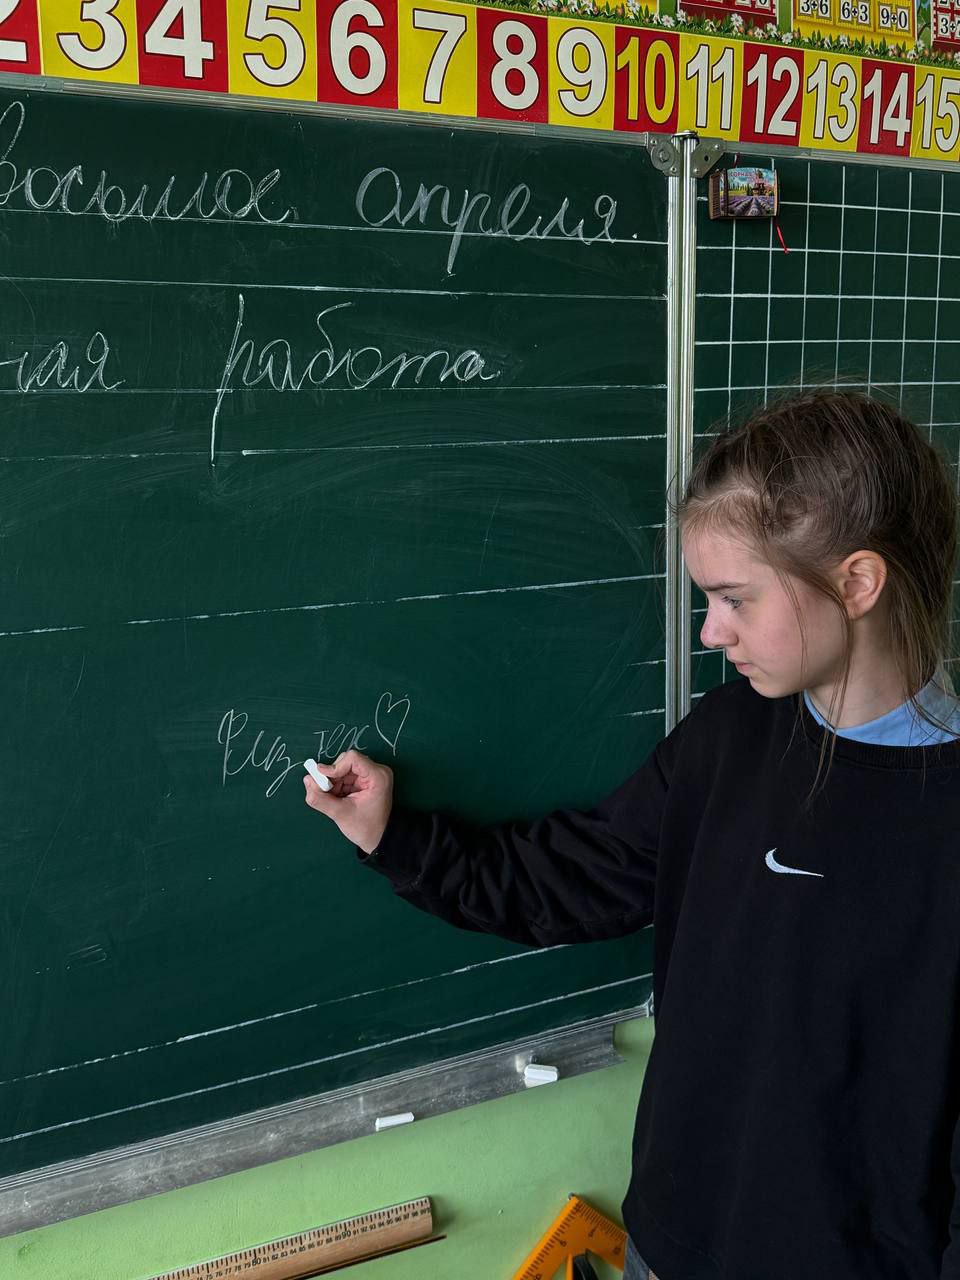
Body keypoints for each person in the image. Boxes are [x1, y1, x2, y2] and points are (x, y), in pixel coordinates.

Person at [303, 390, 960, 1279]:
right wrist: (394, 837)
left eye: (735, 599)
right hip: (672, 1240)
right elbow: (573, 879)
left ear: (856, 583)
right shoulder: (727, 740)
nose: (711, 631)